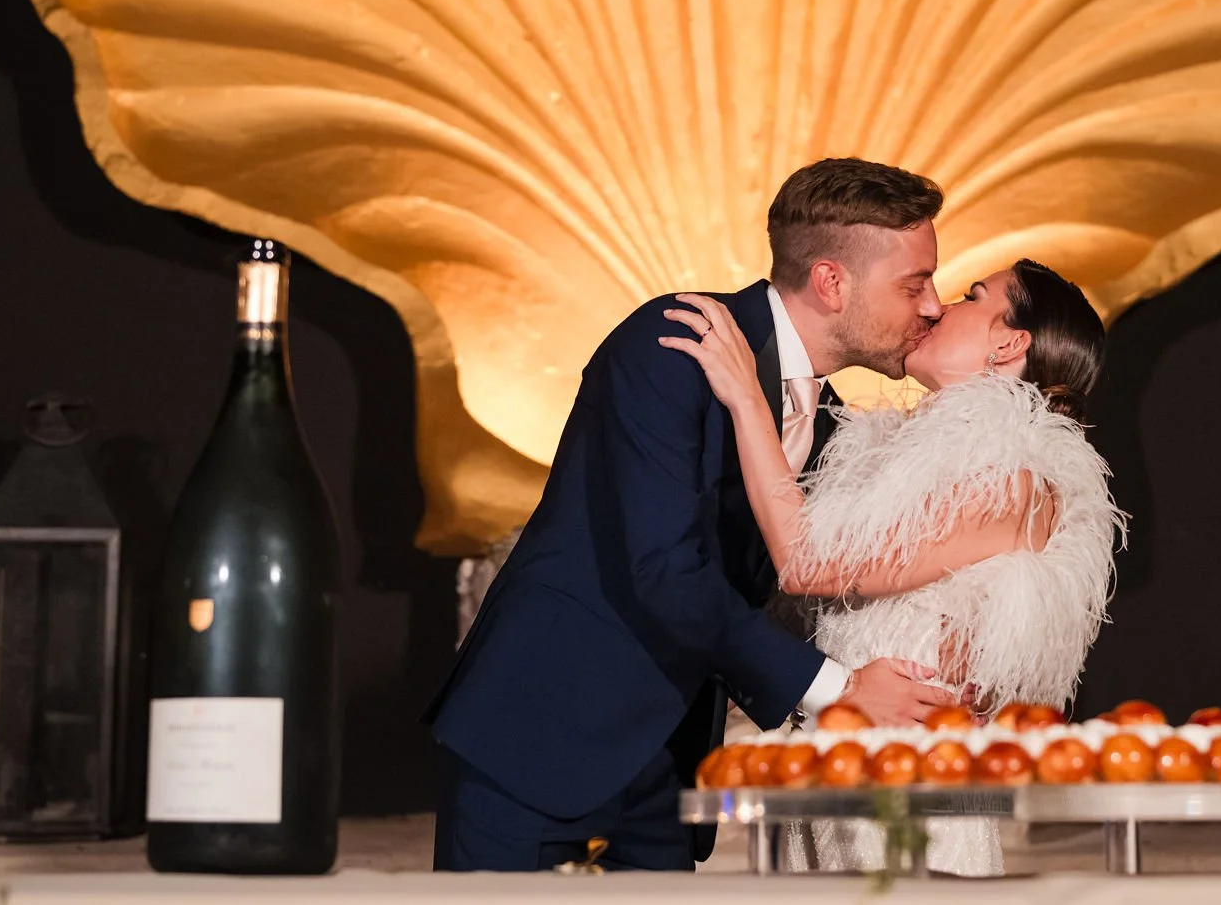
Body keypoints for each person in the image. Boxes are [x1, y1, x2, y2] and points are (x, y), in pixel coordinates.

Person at [425, 159, 962, 871]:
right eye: (914, 282)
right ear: (832, 282)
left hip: (669, 764)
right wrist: (840, 690)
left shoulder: (832, 418)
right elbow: (666, 572)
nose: (932, 305)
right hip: (543, 733)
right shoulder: (675, 342)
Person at [661, 259, 1124, 876]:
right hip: (833, 782)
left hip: (905, 804)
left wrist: (748, 398)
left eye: (971, 297)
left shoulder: (1018, 482)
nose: (936, 308)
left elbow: (808, 562)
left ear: (1010, 341)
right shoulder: (885, 460)